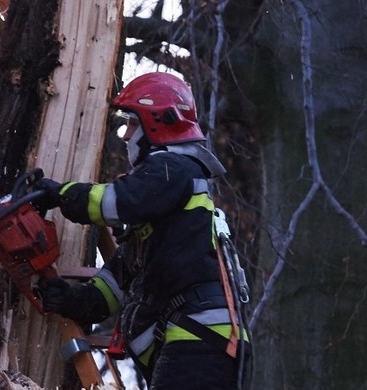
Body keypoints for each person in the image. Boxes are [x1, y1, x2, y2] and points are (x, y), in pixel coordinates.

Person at [34, 72, 248, 389]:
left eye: (133, 123)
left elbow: (118, 201)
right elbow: (117, 285)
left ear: (157, 122)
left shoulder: (176, 167)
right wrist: (71, 300)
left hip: (200, 340)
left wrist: (60, 194)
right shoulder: (163, 223)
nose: (125, 134)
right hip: (201, 340)